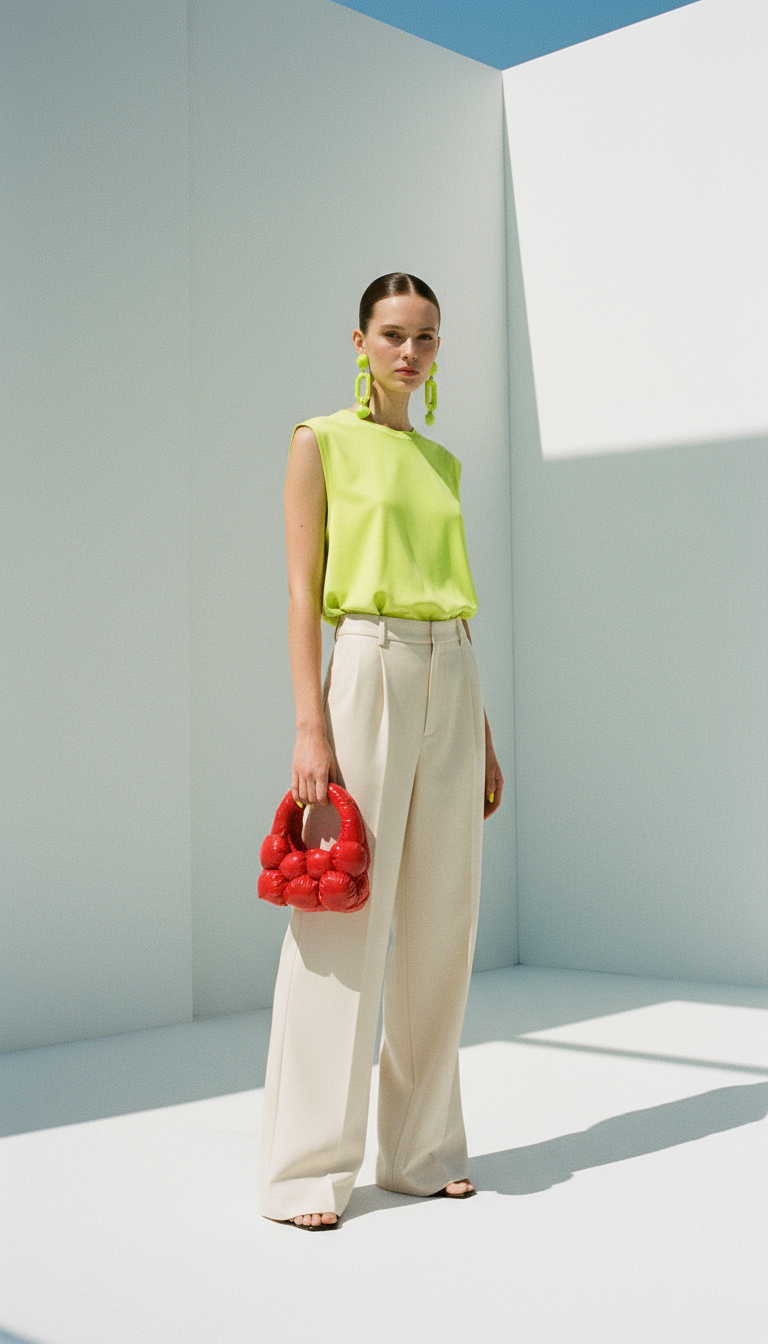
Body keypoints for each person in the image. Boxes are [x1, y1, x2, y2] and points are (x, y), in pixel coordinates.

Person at [259, 272, 504, 1229]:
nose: (410, 352)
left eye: (427, 338)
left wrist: (479, 730)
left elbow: (456, 599)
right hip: (364, 665)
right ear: (359, 341)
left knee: (444, 919)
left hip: (454, 675)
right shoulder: (318, 443)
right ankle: (305, 1171)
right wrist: (309, 722)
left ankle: (420, 1149)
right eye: (393, 334)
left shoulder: (443, 466)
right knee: (341, 920)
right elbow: (297, 591)